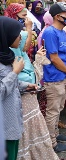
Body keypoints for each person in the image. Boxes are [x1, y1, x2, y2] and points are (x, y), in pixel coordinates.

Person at [10, 30, 59, 159]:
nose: (23, 42)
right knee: (25, 136)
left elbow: (34, 78)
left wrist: (37, 60)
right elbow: (9, 84)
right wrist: (16, 72)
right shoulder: (9, 60)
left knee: (34, 134)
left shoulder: (22, 57)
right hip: (20, 107)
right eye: (20, 38)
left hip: (31, 103)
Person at [0, 17, 37, 160]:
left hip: (12, 121)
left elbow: (8, 83)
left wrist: (25, 86)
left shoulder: (6, 55)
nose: (21, 37)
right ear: (6, 35)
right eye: (17, 34)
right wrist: (15, 72)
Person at [42, 2, 66, 153]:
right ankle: (51, 143)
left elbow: (65, 54)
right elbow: (54, 58)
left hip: (63, 76)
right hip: (54, 78)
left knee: (59, 108)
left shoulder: (62, 32)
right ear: (57, 16)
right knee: (53, 111)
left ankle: (55, 134)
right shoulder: (50, 32)